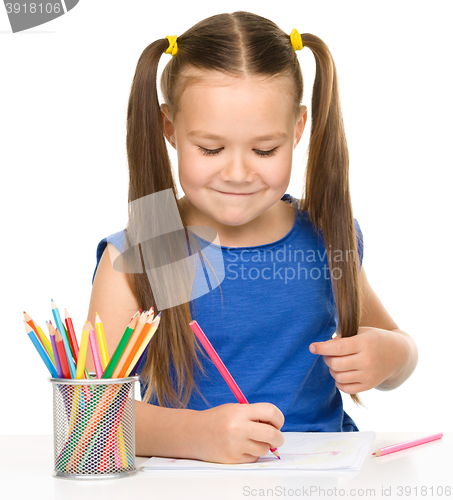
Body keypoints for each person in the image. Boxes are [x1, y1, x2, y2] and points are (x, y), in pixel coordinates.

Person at [86, 11, 418, 464]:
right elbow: (88, 417)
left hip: (324, 479)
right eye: (211, 148)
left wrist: (390, 356)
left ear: (298, 129)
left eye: (265, 150)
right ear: (170, 129)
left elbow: (397, 349)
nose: (238, 173)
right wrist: (196, 435)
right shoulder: (143, 253)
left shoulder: (324, 237)